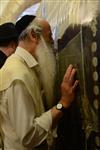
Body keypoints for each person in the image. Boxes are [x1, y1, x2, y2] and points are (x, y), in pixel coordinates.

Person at [0, 18, 79, 150]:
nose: (53, 41)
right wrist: (63, 103)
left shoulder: (23, 67)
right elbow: (29, 136)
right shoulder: (18, 76)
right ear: (34, 35)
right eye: (49, 36)